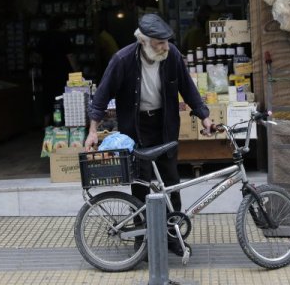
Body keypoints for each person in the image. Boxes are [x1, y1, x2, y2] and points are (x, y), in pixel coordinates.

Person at [85, 13, 213, 255]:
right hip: (135, 128)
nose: (165, 46)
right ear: (143, 41)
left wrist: (204, 116)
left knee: (171, 184)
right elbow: (101, 96)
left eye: (166, 41)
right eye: (159, 43)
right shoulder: (122, 60)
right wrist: (92, 131)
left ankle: (173, 238)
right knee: (141, 186)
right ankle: (142, 242)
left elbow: (188, 88)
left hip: (164, 125)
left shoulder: (172, 55)